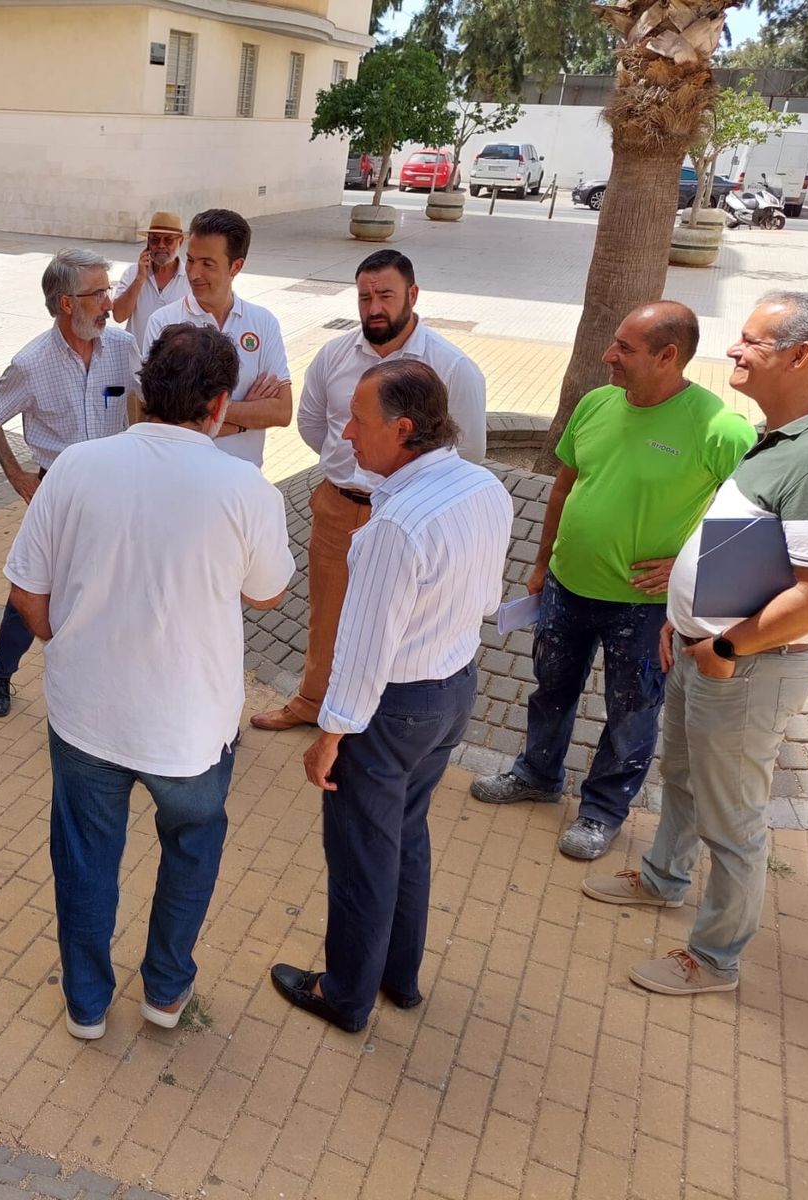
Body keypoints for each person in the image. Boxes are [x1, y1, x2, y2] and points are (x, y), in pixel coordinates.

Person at [5, 322, 293, 1038]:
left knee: (85, 859)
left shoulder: (75, 466)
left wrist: (65, 639)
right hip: (193, 724)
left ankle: (86, 1005)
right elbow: (267, 594)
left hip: (85, 714)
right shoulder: (245, 487)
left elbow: (26, 594)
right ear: (220, 404)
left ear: (142, 391)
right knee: (192, 849)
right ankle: (165, 992)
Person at [583, 292, 808, 997]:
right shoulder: (781, 434)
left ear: (798, 356)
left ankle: (714, 957)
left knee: (734, 823)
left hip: (746, 671)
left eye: (751, 341)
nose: (733, 350)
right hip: (706, 650)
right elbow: (755, 548)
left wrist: (727, 648)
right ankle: (662, 878)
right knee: (683, 780)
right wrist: (690, 616)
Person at [271, 360, 512, 1033]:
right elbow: (488, 598)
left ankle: (345, 993)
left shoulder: (393, 526)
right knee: (405, 833)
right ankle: (397, 976)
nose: (345, 433)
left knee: (359, 856)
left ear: (404, 430)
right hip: (454, 689)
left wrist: (331, 734)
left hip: (390, 709)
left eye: (359, 420)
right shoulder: (483, 487)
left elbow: (366, 646)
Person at [471, 303, 755, 860]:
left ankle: (602, 812)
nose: (608, 356)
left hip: (643, 607)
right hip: (565, 586)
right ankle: (537, 775)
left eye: (625, 348)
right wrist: (539, 562)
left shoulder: (721, 428)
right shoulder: (597, 403)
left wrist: (686, 565)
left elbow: (753, 518)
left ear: (668, 356)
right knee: (550, 691)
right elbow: (562, 486)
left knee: (631, 712)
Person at [252, 249, 487, 733]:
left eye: (385, 295)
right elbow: (314, 424)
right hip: (340, 508)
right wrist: (351, 470)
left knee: (397, 625)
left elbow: (471, 453)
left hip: (411, 519)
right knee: (327, 616)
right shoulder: (334, 355)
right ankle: (311, 703)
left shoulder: (452, 366)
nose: (373, 307)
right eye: (364, 297)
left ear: (413, 295)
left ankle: (378, 720)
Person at [0, 248, 140, 718]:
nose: (109, 303)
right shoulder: (33, 363)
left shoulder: (123, 349)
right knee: (32, 587)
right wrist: (15, 473)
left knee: (110, 586)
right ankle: (1, 672)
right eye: (98, 294)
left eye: (108, 291)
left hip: (115, 490)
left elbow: (146, 401)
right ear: (66, 303)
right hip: (57, 493)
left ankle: (103, 680)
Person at [141, 208, 291, 467]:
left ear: (236, 266)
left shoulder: (263, 323)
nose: (193, 273)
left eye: (207, 264)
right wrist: (245, 420)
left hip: (242, 481)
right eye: (190, 260)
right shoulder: (164, 323)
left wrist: (198, 410)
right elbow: (156, 417)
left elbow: (282, 411)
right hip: (180, 474)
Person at [111, 210, 189, 338]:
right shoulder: (132, 273)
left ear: (180, 242)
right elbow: (118, 316)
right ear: (148, 243)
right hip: (137, 357)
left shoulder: (190, 277)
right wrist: (140, 279)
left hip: (175, 357)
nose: (161, 246)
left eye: (168, 240)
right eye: (155, 240)